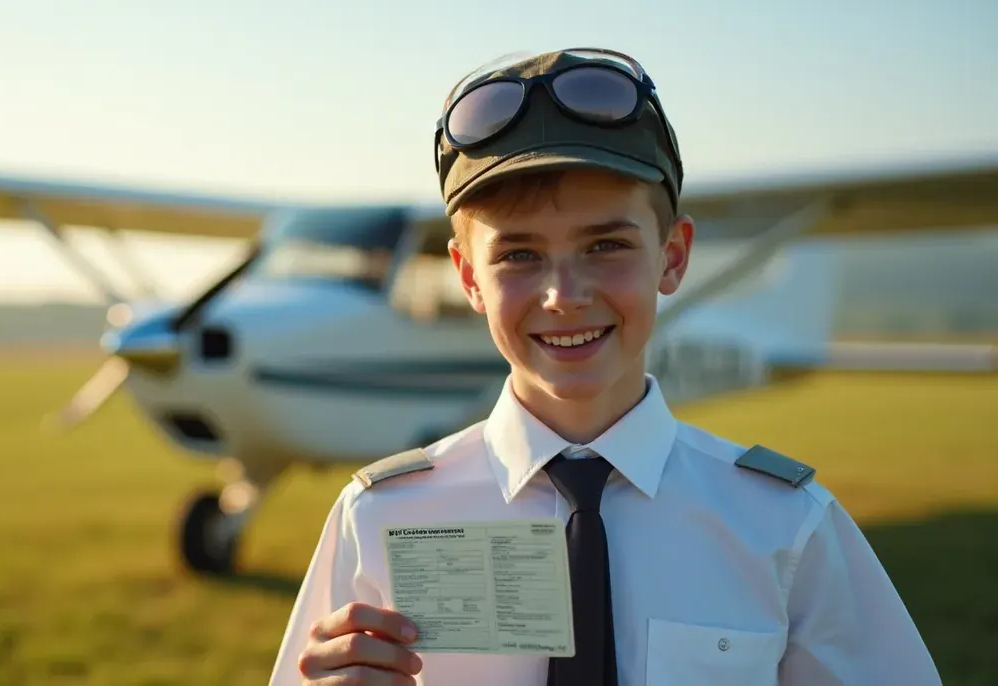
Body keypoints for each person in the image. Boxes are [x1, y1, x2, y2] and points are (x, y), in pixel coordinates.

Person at [267, 47, 941, 686]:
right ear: (468, 276)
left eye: (606, 245)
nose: (564, 295)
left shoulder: (787, 526)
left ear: (673, 257)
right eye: (519, 256)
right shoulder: (380, 517)